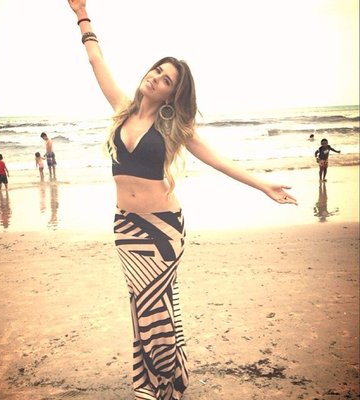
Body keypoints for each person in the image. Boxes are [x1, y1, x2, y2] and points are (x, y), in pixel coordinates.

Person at [67, 1, 297, 399]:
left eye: (166, 80)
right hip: (126, 229)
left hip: (164, 231)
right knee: (143, 307)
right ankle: (160, 381)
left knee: (154, 308)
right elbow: (95, 60)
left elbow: (219, 161)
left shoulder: (175, 127)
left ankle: (164, 386)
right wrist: (81, 14)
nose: (156, 78)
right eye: (156, 71)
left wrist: (263, 185)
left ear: (173, 94)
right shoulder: (122, 110)